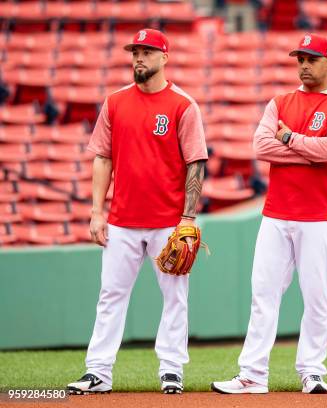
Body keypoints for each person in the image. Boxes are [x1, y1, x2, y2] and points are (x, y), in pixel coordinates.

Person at [211, 33, 327, 395]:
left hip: (321, 214)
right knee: (263, 295)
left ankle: (311, 371)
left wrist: (290, 140)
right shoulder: (280, 101)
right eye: (300, 59)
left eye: (312, 58)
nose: (304, 65)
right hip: (277, 213)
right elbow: (261, 146)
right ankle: (252, 375)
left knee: (316, 297)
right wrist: (309, 149)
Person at [66, 28, 208, 395]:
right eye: (135, 52)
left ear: (164, 57)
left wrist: (188, 218)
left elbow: (196, 163)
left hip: (167, 222)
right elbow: (102, 157)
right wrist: (97, 212)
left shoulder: (182, 104)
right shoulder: (115, 102)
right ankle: (98, 371)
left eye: (147, 52)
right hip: (123, 221)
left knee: (175, 298)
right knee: (110, 295)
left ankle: (172, 369)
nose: (139, 58)